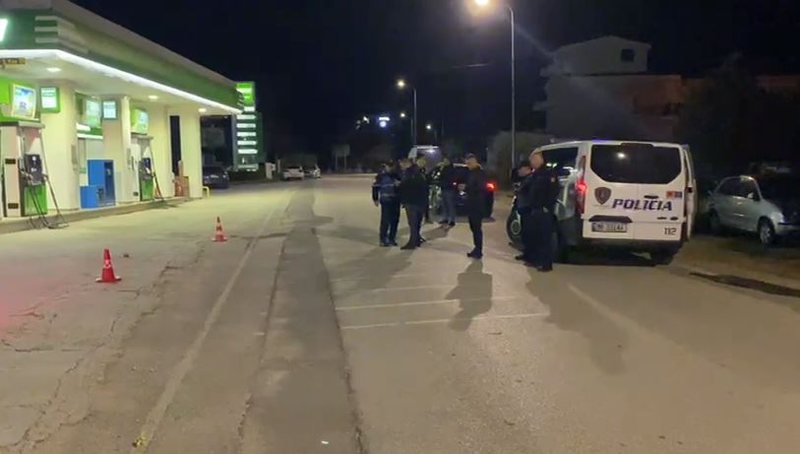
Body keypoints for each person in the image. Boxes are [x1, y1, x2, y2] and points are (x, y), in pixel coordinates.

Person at [526, 151, 560, 271]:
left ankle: (546, 264)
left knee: (545, 238)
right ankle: (537, 260)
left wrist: (547, 206)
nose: (532, 163)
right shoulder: (535, 174)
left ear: (540, 160)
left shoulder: (548, 174)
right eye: (531, 161)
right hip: (535, 209)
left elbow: (554, 191)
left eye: (534, 160)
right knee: (536, 237)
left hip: (544, 210)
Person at [398, 158, 428, 250]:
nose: (400, 165)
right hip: (420, 201)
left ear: (407, 163)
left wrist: (400, 185)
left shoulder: (409, 173)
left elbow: (409, 186)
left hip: (411, 201)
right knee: (417, 223)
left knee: (413, 223)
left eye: (401, 163)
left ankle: (412, 242)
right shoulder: (418, 172)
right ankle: (417, 239)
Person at [463, 154, 487, 259]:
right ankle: (476, 248)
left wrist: (466, 188)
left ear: (475, 162)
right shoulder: (471, 173)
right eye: (467, 163)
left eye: (469, 163)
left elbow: (480, 188)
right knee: (473, 227)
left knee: (477, 228)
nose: (468, 165)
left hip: (477, 205)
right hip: (472, 204)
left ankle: (478, 250)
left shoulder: (480, 173)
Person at [372, 162, 401, 247]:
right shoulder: (381, 176)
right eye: (389, 166)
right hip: (386, 200)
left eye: (392, 166)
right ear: (386, 167)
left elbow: (402, 187)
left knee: (395, 220)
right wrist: (375, 198)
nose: (391, 168)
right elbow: (375, 187)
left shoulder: (397, 175)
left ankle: (392, 238)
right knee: (385, 220)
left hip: (396, 200)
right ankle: (383, 239)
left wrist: (399, 186)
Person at [514, 161, 535, 262]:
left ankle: (530, 255)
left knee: (528, 233)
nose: (519, 171)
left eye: (520, 169)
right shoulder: (526, 179)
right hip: (524, 208)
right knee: (525, 233)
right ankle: (526, 253)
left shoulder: (530, 179)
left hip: (528, 209)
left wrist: (518, 190)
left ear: (526, 169)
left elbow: (523, 191)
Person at [437, 157, 458, 227]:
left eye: (446, 160)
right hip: (443, 188)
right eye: (444, 160)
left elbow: (452, 179)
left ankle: (452, 220)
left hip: (449, 189)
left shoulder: (452, 169)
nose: (444, 161)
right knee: (444, 205)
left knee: (450, 205)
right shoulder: (443, 168)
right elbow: (440, 177)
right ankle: (445, 218)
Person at [416, 156, 433, 224]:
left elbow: (428, 179)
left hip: (424, 190)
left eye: (424, 160)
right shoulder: (415, 170)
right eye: (422, 160)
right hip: (417, 192)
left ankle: (427, 217)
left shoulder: (424, 170)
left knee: (425, 205)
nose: (424, 162)